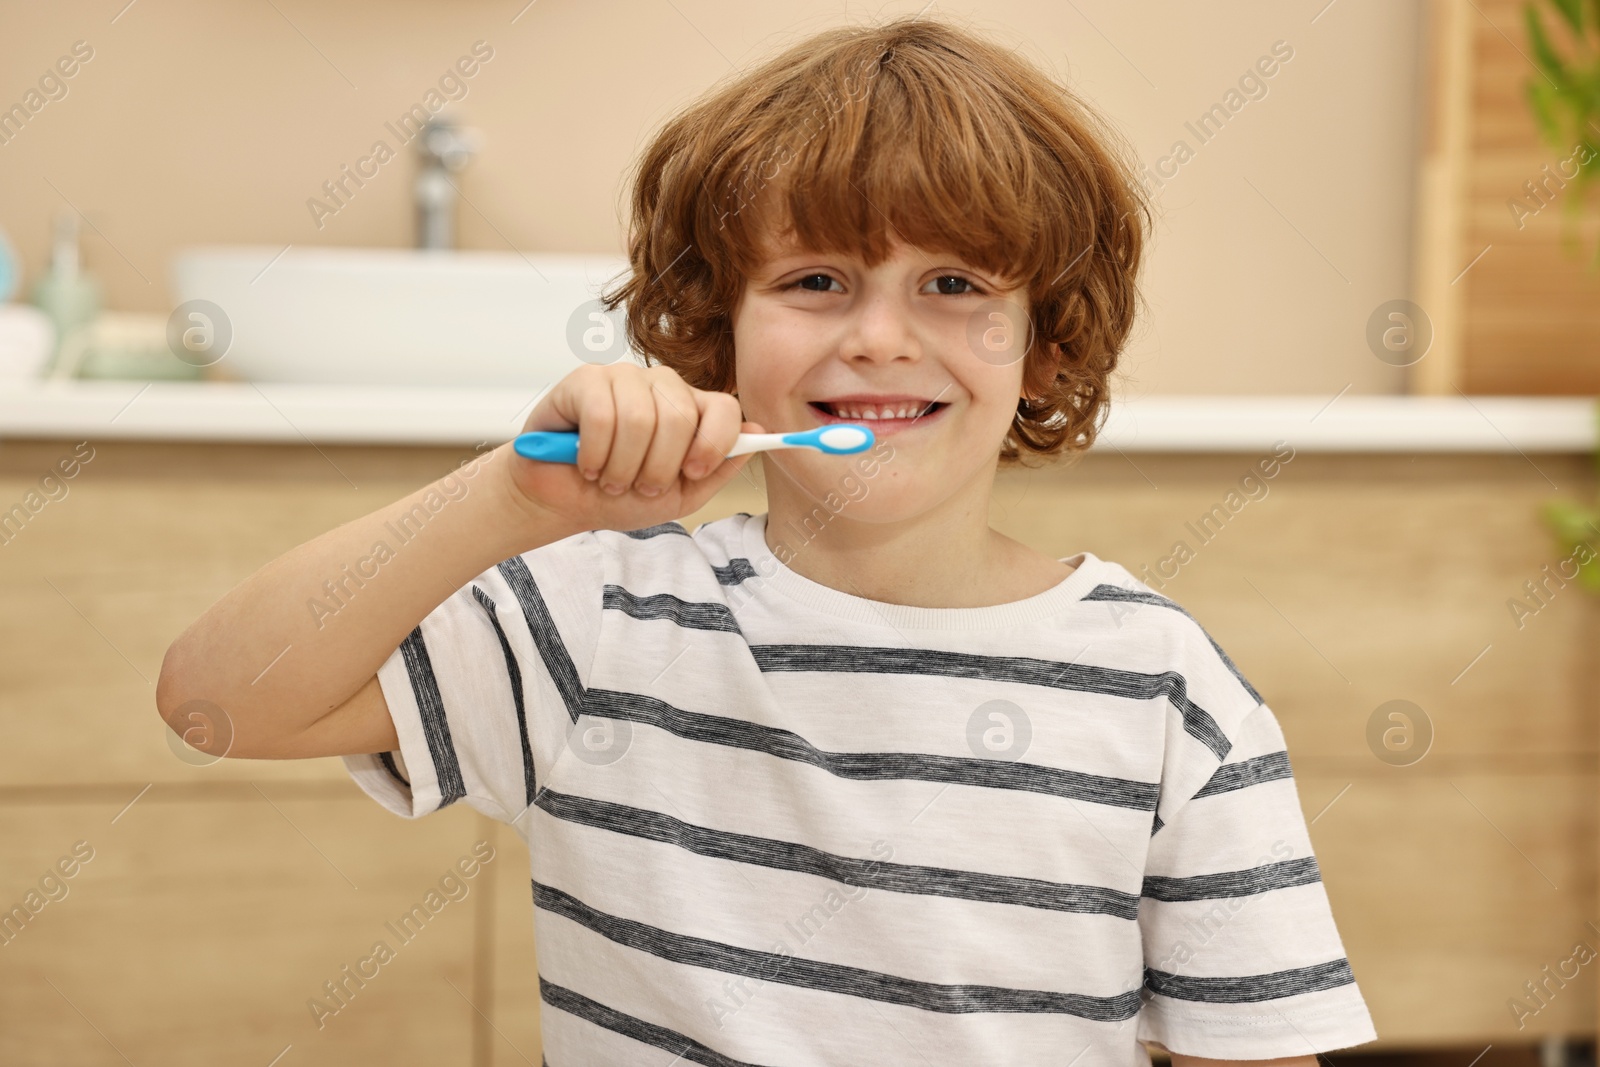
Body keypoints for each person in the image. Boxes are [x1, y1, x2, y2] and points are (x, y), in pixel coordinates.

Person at [157, 14, 1377, 1066]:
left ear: (1044, 341)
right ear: (714, 331)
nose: (882, 337)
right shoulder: (601, 620)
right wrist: (509, 502)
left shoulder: (1166, 690)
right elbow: (215, 702)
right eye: (815, 281)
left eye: (954, 284)